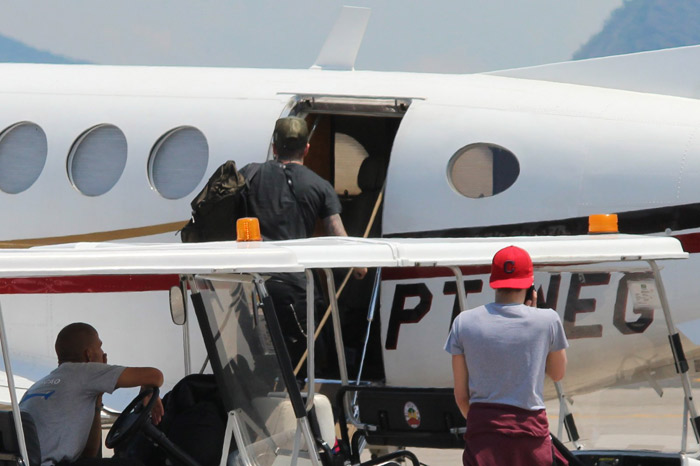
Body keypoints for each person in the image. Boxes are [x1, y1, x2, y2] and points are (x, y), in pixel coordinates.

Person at [240, 116, 366, 367]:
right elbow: (337, 234)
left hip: (250, 286)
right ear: (306, 149)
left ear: (274, 147)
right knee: (307, 360)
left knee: (263, 360)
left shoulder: (249, 175)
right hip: (295, 289)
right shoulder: (319, 185)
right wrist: (359, 267)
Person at [444, 246, 569, 466]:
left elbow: (461, 397)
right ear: (530, 285)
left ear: (494, 281)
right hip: (530, 436)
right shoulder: (547, 320)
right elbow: (557, 374)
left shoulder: (463, 322)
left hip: (483, 435)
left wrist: (486, 426)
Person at [20, 322, 164, 466]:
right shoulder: (86, 372)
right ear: (88, 354)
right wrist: (146, 386)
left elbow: (90, 454)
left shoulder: (37, 385)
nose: (103, 353)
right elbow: (155, 375)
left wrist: (98, 399)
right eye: (100, 347)